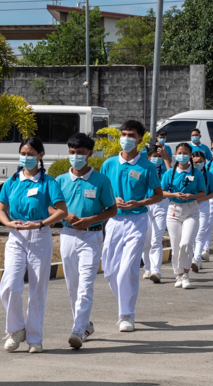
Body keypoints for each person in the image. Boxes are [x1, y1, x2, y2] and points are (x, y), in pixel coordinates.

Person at [0, 137, 67, 353]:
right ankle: (16, 329)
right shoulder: (12, 182)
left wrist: (40, 224)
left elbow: (62, 211)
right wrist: (8, 222)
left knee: (37, 290)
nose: (26, 158)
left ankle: (35, 337)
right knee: (9, 286)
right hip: (16, 237)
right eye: (23, 153)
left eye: (30, 154)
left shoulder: (49, 182)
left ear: (40, 156)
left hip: (39, 236)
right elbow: (1, 209)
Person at [100, 120, 163, 332]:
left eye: (130, 135)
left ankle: (127, 314)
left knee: (127, 269)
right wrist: (111, 200)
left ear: (139, 139)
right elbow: (101, 193)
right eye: (123, 134)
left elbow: (158, 195)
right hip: (114, 220)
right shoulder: (109, 164)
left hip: (137, 220)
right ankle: (124, 302)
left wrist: (139, 202)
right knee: (110, 270)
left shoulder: (147, 166)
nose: (125, 139)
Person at [55, 133, 116, 349]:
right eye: (72, 153)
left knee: (86, 283)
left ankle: (78, 331)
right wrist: (64, 215)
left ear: (89, 154)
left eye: (80, 153)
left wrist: (91, 219)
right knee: (72, 284)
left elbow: (112, 209)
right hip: (68, 235)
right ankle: (85, 324)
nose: (75, 157)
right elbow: (50, 206)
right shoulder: (60, 180)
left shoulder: (101, 180)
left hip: (92, 235)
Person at [161, 143, 206, 289]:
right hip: (173, 210)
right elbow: (161, 192)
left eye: (185, 152)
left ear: (190, 155)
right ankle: (178, 274)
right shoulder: (170, 173)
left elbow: (203, 193)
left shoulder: (196, 173)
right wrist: (174, 194)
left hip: (191, 210)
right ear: (175, 154)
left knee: (186, 243)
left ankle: (186, 274)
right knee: (175, 244)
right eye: (179, 152)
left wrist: (191, 196)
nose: (182, 155)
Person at [142, 144, 172, 283]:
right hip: (145, 205)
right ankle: (147, 268)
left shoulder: (166, 171)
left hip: (161, 205)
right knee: (146, 240)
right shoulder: (144, 170)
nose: (157, 159)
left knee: (156, 239)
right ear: (148, 158)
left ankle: (156, 270)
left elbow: (172, 176)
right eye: (155, 157)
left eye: (159, 157)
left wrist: (166, 159)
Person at [191, 151, 213, 272]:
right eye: (195, 162)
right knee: (191, 235)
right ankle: (194, 258)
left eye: (200, 161)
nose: (198, 164)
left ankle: (196, 259)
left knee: (200, 234)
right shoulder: (188, 175)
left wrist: (202, 198)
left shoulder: (209, 175)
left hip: (203, 207)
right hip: (189, 207)